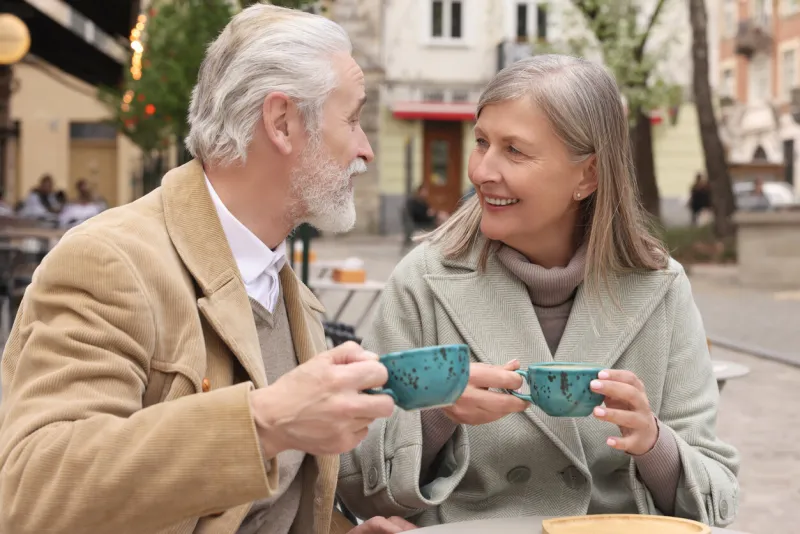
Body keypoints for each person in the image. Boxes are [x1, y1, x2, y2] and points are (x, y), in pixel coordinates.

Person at [0, 5, 415, 534]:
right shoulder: (110, 261)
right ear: (282, 122)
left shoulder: (288, 291)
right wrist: (263, 422)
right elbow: (36, 493)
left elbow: (269, 508)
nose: (366, 150)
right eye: (353, 119)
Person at [337, 55, 739, 528]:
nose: (482, 170)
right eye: (482, 142)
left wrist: (653, 443)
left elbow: (720, 502)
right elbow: (354, 482)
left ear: (587, 175)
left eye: (515, 151)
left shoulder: (661, 288)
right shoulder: (422, 282)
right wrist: (439, 416)